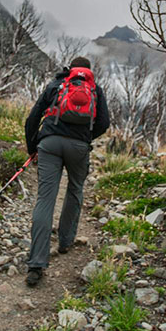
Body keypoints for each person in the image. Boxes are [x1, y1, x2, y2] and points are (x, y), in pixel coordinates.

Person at [24, 56, 110, 286]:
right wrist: (86, 137)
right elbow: (104, 123)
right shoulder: (95, 90)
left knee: (45, 199)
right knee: (75, 189)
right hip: (79, 147)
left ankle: (36, 264)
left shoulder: (56, 85)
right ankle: (65, 242)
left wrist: (33, 147)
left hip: (49, 144)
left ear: (70, 70)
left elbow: (32, 118)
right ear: (88, 72)